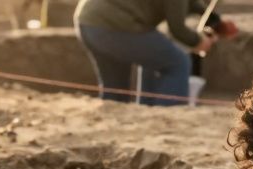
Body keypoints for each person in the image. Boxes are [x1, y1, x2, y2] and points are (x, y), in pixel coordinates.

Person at [74, 0, 236, 106]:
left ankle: (142, 112)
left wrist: (217, 21)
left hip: (88, 22)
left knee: (115, 92)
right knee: (178, 62)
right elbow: (177, 29)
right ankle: (166, 117)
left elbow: (191, 3)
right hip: (116, 25)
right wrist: (200, 42)